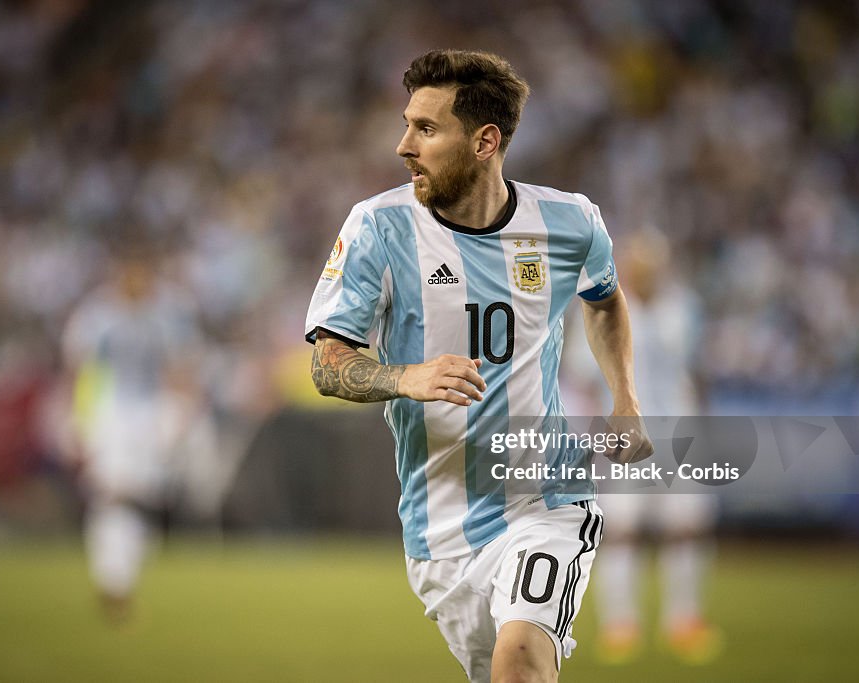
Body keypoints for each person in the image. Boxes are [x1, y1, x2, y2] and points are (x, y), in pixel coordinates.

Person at [305, 50, 653, 682]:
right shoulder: (377, 228)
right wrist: (402, 377)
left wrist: (624, 397)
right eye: (407, 123)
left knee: (520, 664)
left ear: (486, 141)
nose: (403, 145)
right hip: (438, 531)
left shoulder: (571, 223)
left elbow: (604, 300)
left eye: (427, 129)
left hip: (547, 498)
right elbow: (327, 364)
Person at [576, 229, 723, 664]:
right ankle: (621, 624)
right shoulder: (600, 305)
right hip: (626, 434)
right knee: (622, 532)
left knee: (687, 529)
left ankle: (684, 620)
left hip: (680, 430)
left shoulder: (684, 308)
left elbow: (698, 370)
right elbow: (583, 377)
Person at [62, 246, 206, 622]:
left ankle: (120, 578)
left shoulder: (169, 313)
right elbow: (78, 370)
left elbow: (181, 369)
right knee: (111, 495)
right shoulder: (97, 315)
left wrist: (179, 417)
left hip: (151, 413)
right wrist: (79, 422)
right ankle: (113, 580)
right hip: (110, 413)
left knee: (139, 497)